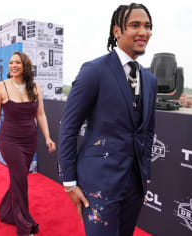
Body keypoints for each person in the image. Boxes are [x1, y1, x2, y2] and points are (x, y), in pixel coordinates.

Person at [58, 3, 157, 236]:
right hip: (98, 182)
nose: (143, 32)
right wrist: (69, 182)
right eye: (135, 25)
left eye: (148, 26)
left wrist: (146, 171)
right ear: (117, 31)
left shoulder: (150, 80)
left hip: (135, 183)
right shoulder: (94, 71)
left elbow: (148, 131)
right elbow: (69, 127)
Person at [0, 51, 56, 236]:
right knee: (21, 180)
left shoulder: (35, 87)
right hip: (9, 140)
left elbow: (40, 114)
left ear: (25, 65)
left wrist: (47, 137)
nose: (13, 65)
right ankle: (24, 225)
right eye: (10, 63)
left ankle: (7, 210)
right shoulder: (2, 87)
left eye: (17, 62)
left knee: (19, 178)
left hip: (29, 140)